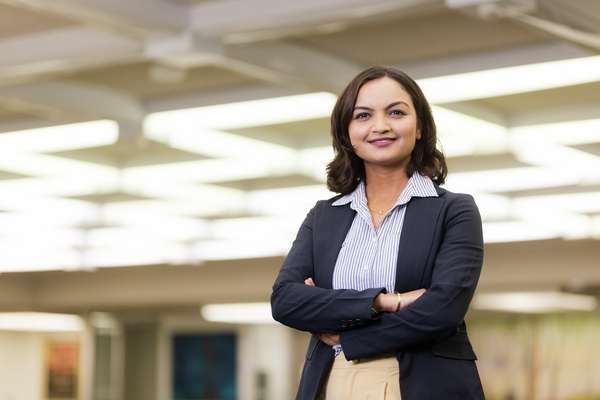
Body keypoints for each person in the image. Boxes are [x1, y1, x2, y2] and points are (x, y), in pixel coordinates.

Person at [270, 66, 485, 400]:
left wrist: (347, 334)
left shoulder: (454, 211)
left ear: (419, 128)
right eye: (363, 115)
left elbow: (443, 310)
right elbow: (285, 300)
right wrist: (386, 302)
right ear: (347, 133)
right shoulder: (324, 216)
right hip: (332, 380)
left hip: (422, 383)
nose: (380, 126)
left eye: (396, 112)